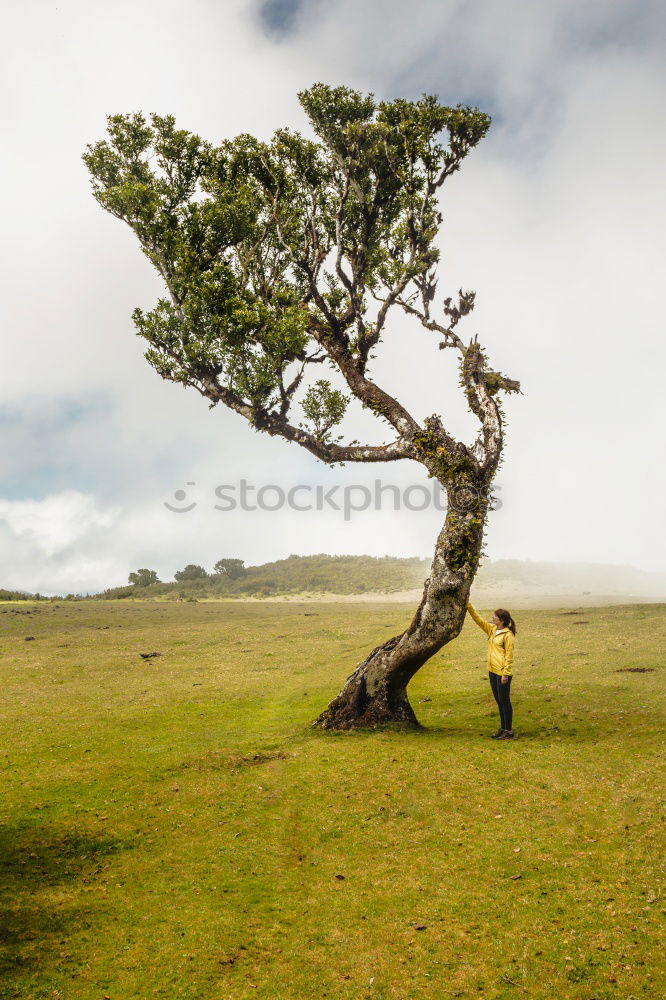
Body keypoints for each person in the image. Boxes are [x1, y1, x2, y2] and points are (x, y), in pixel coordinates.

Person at [466, 602, 517, 739]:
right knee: (499, 700)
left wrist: (505, 673)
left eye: (494, 617)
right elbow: (479, 621)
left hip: (502, 673)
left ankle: (509, 731)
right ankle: (503, 728)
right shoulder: (492, 629)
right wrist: (468, 606)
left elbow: (509, 655)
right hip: (492, 670)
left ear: (501, 620)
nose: (492, 618)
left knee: (504, 700)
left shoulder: (508, 635)